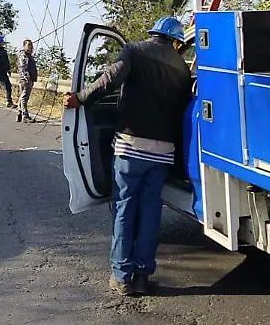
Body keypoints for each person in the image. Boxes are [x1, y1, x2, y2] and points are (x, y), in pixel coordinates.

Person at [64, 16, 193, 297]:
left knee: (124, 209)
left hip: (130, 147)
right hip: (163, 153)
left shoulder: (133, 51)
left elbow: (109, 80)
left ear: (152, 33)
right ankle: (144, 275)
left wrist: (80, 98)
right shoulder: (182, 68)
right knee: (150, 212)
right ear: (175, 41)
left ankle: (122, 277)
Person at [17, 39, 38, 123]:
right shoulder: (23, 55)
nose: (30, 47)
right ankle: (25, 116)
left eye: (31, 45)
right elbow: (23, 68)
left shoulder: (29, 56)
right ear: (24, 46)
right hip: (25, 80)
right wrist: (27, 78)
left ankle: (19, 113)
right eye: (28, 45)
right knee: (24, 98)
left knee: (23, 97)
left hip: (29, 79)